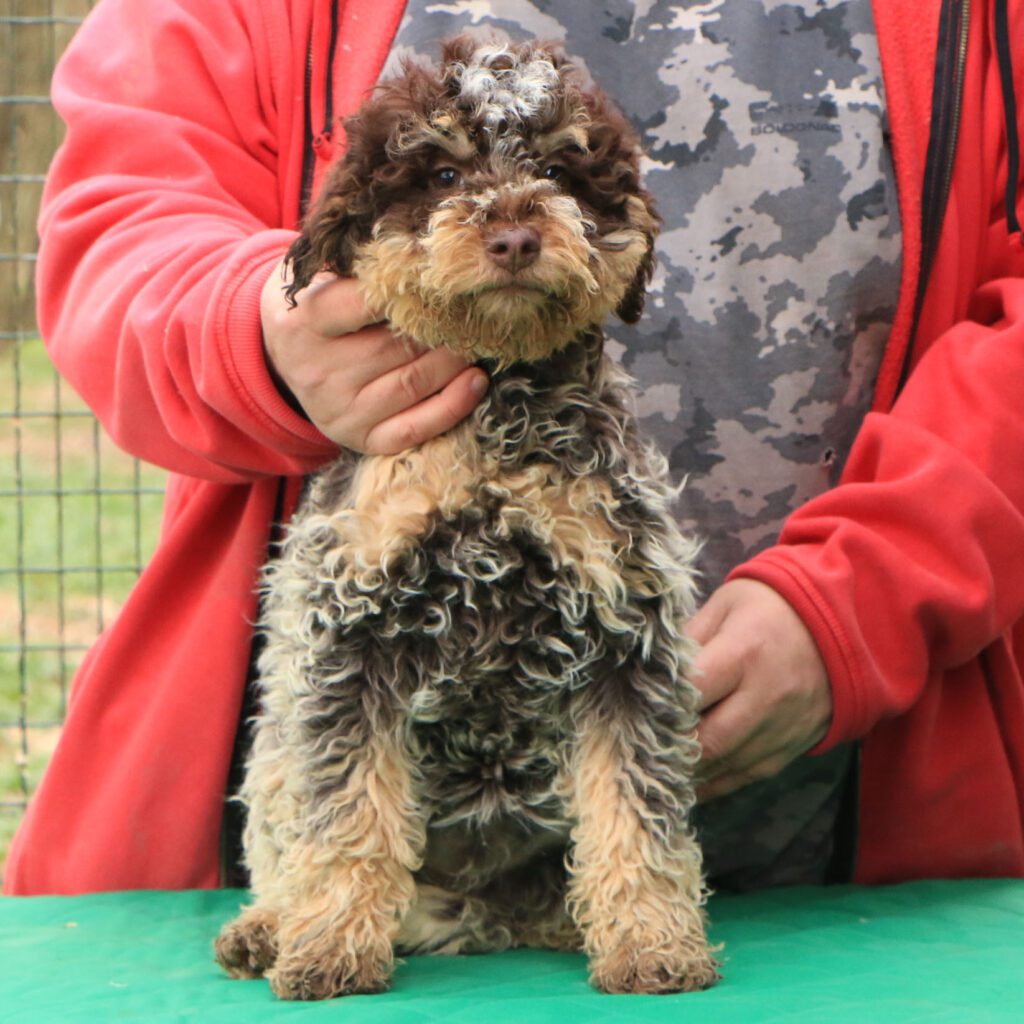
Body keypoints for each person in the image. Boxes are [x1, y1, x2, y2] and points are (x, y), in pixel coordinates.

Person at [5, 0, 1024, 896]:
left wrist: (866, 600)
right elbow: (115, 218)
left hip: (852, 840)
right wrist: (252, 334)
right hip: (346, 842)